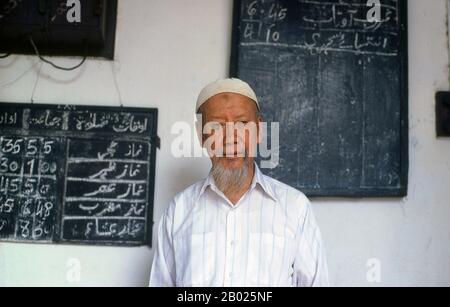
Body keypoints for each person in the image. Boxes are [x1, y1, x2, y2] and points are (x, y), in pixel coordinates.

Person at [150, 78, 329, 287]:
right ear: (200, 135)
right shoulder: (178, 211)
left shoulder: (295, 208)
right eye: (216, 126)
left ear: (259, 130)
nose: (230, 137)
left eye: (242, 124)